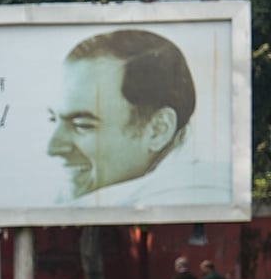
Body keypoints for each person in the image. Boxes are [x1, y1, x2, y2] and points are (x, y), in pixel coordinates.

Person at [46, 29, 226, 206]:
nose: (53, 148)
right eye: (53, 119)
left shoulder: (191, 198)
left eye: (82, 125)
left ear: (158, 130)